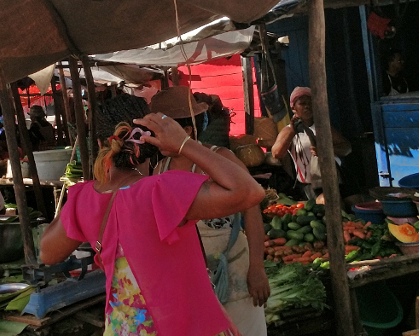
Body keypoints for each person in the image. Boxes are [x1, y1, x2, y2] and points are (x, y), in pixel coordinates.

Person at [40, 114, 264, 336]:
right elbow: (250, 192)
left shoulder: (83, 197)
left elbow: (47, 254)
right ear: (152, 141)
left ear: (100, 144)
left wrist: (75, 206)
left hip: (125, 329)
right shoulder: (161, 189)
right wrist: (186, 144)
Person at [151, 87, 269, 336]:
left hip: (233, 267)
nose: (154, 137)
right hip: (190, 279)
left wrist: (257, 267)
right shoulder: (160, 168)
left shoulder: (220, 158)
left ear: (186, 132)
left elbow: (252, 209)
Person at [271, 87, 352, 200]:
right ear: (294, 108)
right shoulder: (289, 131)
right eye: (302, 103)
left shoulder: (323, 127)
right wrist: (293, 131)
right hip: (311, 186)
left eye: (311, 103)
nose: (307, 106)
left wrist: (326, 150)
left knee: (355, 203)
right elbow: (276, 153)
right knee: (328, 201)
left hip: (336, 180)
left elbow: (347, 148)